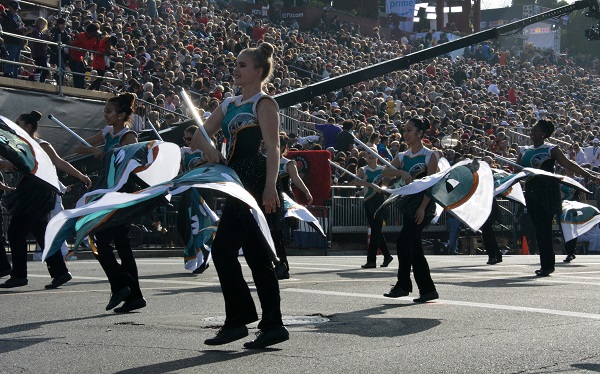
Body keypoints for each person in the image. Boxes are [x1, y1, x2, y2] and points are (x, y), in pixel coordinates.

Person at [192, 42, 289, 349]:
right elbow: (198, 134)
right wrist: (210, 151)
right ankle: (271, 324)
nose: (236, 69)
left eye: (242, 65)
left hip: (256, 182)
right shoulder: (230, 104)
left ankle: (239, 320)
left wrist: (270, 186)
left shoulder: (265, 103)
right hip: (236, 181)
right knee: (258, 259)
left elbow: (273, 148)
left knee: (223, 252)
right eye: (235, 64)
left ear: (258, 71)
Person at [0, 111, 91, 289]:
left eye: (19, 123)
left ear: (27, 127)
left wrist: (80, 176)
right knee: (41, 232)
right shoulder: (21, 146)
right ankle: (60, 272)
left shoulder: (41, 145)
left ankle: (19, 275)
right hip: (30, 191)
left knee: (16, 231)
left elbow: (59, 162)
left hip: (37, 192)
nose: (15, 127)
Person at [75, 93, 146, 312]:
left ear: (121, 114)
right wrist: (89, 148)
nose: (105, 115)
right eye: (105, 111)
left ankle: (121, 284)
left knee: (104, 240)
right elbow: (82, 146)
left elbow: (129, 166)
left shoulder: (129, 136)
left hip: (121, 195)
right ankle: (131, 293)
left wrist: (103, 154)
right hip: (107, 192)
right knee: (117, 244)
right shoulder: (108, 132)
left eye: (109, 111)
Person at [516, 119, 600, 276]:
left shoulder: (551, 149)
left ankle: (547, 265)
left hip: (547, 191)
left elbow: (569, 164)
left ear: (544, 134)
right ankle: (546, 264)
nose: (532, 133)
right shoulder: (524, 150)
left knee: (544, 228)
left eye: (536, 130)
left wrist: (591, 176)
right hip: (531, 190)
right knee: (538, 229)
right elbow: (517, 170)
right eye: (532, 130)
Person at [381, 117, 439, 303]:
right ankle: (428, 289)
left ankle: (403, 285)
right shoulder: (402, 156)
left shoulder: (430, 155)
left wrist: (423, 207)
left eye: (409, 130)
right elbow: (385, 172)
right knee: (415, 248)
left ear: (420, 133)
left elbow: (432, 184)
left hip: (424, 205)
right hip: (407, 205)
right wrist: (401, 173)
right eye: (404, 130)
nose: (405, 134)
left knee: (403, 242)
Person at [275, 133, 313, 279]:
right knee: (273, 234)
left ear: (284, 147)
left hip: (284, 200)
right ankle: (279, 264)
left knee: (278, 234)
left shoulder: (288, 163)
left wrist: (306, 192)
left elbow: (296, 179)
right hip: (269, 199)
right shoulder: (265, 161)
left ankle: (282, 266)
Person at [350, 147, 393, 269]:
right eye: (368, 153)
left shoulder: (383, 169)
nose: (371, 155)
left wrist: (383, 186)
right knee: (376, 230)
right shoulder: (363, 170)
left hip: (380, 202)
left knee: (375, 231)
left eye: (373, 153)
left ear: (377, 155)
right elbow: (356, 182)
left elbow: (389, 182)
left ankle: (371, 260)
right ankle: (387, 255)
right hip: (368, 201)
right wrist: (370, 185)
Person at [0, 1, 31, 78]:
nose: (15, 10)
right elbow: (7, 29)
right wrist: (19, 30)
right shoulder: (6, 16)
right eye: (14, 8)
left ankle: (14, 76)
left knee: (16, 61)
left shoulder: (17, 17)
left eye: (16, 8)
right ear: (10, 7)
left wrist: (25, 29)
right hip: (10, 40)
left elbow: (20, 26)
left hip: (17, 41)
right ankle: (8, 75)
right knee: (10, 59)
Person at [70, 23, 100, 89]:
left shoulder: (92, 38)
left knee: (82, 74)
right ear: (92, 32)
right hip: (73, 57)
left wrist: (98, 40)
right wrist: (95, 38)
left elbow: (96, 49)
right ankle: (78, 89)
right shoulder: (82, 35)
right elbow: (87, 46)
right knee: (77, 75)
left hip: (80, 58)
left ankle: (82, 88)